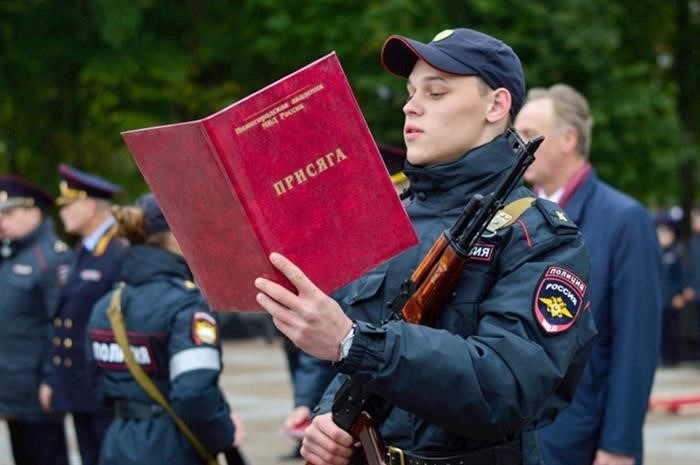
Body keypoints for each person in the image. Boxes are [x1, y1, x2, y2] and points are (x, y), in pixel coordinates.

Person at [255, 28, 597, 465]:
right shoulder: (394, 219)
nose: (410, 105)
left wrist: (350, 341)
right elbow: (364, 352)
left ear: (496, 105)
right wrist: (330, 419)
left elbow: (507, 386)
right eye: (411, 91)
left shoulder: (539, 234)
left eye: (435, 93)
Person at [514, 83, 663, 465]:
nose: (517, 144)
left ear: (568, 139)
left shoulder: (623, 219)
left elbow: (636, 343)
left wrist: (619, 446)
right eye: (515, 133)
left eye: (529, 134)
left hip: (581, 440)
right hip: (519, 439)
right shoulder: (516, 217)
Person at [85, 193, 245, 464]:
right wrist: (224, 434)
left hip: (117, 444)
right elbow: (194, 394)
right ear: (175, 236)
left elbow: (96, 384)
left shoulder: (106, 306)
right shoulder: (187, 307)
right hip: (174, 446)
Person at [40, 164, 129, 465]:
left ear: (90, 206)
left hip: (106, 389)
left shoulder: (119, 250)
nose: (62, 213)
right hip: (79, 386)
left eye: (68, 205)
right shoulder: (84, 250)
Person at [0, 175, 71, 465]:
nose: (2, 221)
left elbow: (61, 324)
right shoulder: (9, 254)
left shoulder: (51, 258)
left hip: (37, 390)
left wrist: (51, 379)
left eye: (8, 213)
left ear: (34, 212)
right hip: (12, 387)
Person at [655, 213, 688, 366]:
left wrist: (680, 294)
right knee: (660, 328)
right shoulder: (656, 253)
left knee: (672, 329)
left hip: (672, 298)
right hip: (660, 298)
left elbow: (682, 276)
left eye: (665, 234)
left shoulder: (677, 252)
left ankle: (673, 357)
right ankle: (662, 355)